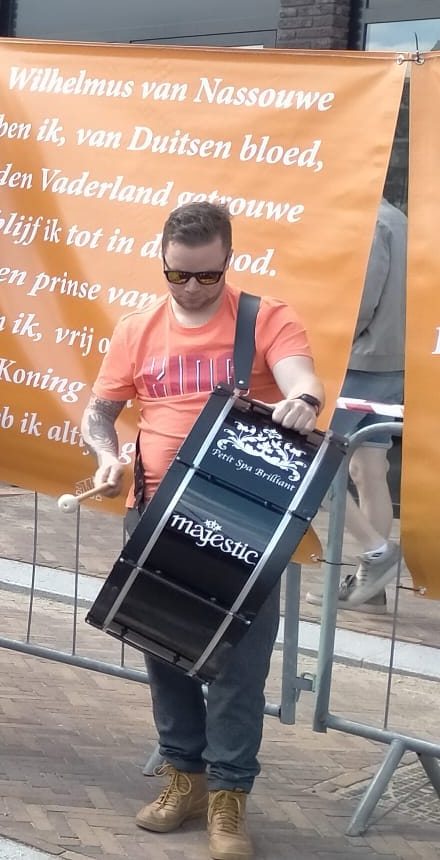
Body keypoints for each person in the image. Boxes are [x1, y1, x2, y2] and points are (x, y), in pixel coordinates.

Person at [83, 201, 322, 860]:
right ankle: (183, 779)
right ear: (162, 262)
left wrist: (301, 402)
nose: (191, 289)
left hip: (244, 520)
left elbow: (303, 380)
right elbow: (99, 412)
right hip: (157, 514)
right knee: (165, 655)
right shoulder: (138, 328)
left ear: (228, 261)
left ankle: (228, 799)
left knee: (240, 668)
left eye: (206, 277)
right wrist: (106, 455)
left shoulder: (265, 318)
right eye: (178, 275)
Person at [310, 198, 406, 612]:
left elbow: (360, 301)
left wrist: (327, 347)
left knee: (310, 464)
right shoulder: (400, 220)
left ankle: (375, 551)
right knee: (369, 469)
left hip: (357, 360)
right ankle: (372, 587)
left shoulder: (373, 223)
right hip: (394, 359)